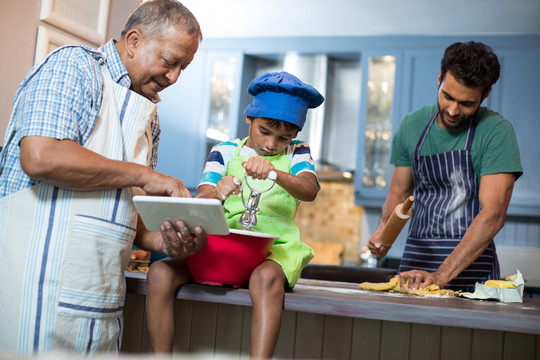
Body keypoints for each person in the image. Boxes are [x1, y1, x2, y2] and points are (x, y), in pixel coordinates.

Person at [0, 0, 207, 355]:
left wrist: (168, 242)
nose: (174, 77)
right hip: (33, 293)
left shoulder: (149, 118)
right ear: (134, 41)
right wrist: (146, 175)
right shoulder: (73, 66)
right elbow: (41, 156)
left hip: (99, 306)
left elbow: (129, 219)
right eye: (171, 62)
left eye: (183, 68)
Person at [146, 71, 324, 358]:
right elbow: (202, 199)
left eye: (283, 137)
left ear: (295, 135)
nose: (270, 144)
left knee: (265, 278)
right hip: (220, 246)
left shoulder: (297, 153)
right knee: (160, 272)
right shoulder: (224, 152)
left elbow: (309, 189)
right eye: (265, 131)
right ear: (249, 119)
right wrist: (218, 192)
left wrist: (274, 172)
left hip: (272, 251)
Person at [367, 41, 523, 292]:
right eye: (447, 96)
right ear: (439, 78)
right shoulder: (412, 125)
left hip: (471, 277)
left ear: (485, 95)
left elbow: (493, 214)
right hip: (413, 267)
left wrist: (441, 275)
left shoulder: (496, 131)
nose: (452, 110)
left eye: (467, 103)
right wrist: (384, 231)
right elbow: (398, 192)